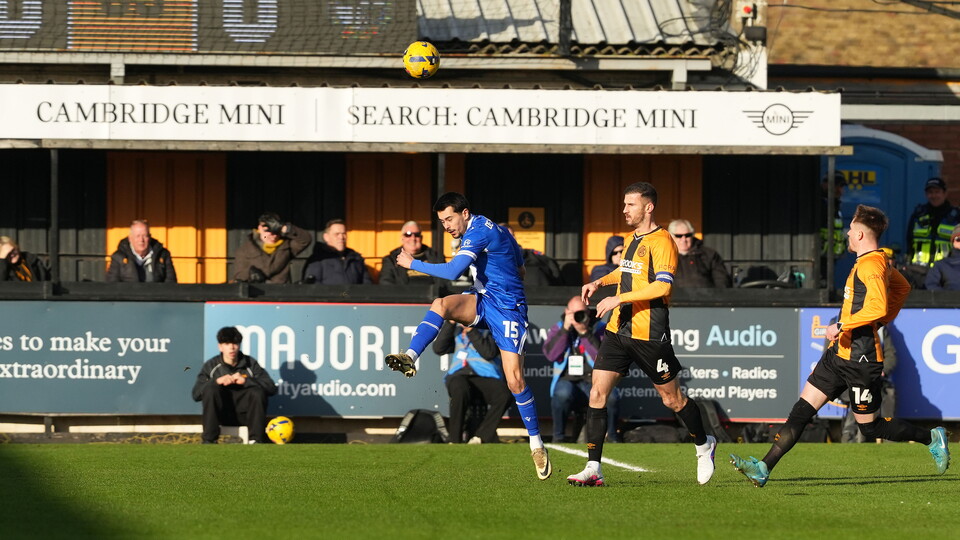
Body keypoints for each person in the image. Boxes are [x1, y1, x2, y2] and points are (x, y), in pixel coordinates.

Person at [730, 205, 950, 487]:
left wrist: (846, 325)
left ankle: (931, 436)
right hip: (839, 354)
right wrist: (877, 322)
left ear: (859, 233)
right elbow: (902, 288)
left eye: (850, 229)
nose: (846, 232)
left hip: (861, 359)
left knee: (869, 427)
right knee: (802, 410)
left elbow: (879, 304)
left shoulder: (871, 265)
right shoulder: (874, 261)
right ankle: (764, 467)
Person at [383, 192, 552, 480]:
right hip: (484, 299)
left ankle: (536, 444)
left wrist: (413, 264)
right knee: (441, 305)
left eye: (449, 218)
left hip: (509, 310)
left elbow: (452, 271)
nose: (446, 225)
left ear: (465, 213)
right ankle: (410, 356)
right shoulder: (495, 229)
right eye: (441, 221)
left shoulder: (477, 234)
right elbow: (519, 261)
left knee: (514, 380)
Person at [570, 182, 717, 487]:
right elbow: (626, 274)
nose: (624, 210)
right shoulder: (631, 238)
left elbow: (662, 286)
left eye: (630, 205)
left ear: (648, 207)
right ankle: (593, 466)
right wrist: (600, 284)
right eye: (624, 204)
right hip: (617, 331)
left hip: (649, 333)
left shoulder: (663, 242)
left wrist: (617, 299)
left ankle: (704, 445)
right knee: (597, 393)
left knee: (672, 400)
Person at [542, 295, 619, 443]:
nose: (578, 316)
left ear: (588, 313)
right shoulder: (559, 327)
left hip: (595, 380)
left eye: (582, 312)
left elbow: (602, 358)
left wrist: (585, 333)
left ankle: (612, 437)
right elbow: (551, 355)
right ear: (567, 312)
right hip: (569, 381)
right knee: (562, 393)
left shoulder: (600, 328)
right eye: (574, 313)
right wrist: (565, 329)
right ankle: (558, 437)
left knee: (612, 396)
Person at [191, 326, 278, 444]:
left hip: (246, 417)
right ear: (220, 346)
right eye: (227, 343)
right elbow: (196, 395)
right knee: (211, 389)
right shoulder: (211, 366)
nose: (232, 347)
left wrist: (246, 381)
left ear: (239, 345)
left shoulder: (250, 364)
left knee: (256, 391)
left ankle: (256, 440)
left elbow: (271, 388)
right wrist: (216, 381)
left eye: (235, 343)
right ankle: (209, 441)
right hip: (220, 416)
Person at [432, 321, 512, 444]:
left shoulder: (492, 328)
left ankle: (481, 437)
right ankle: (454, 440)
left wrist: (471, 330)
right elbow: (438, 348)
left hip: (485, 376)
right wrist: (450, 323)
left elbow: (489, 352)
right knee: (459, 388)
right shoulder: (456, 331)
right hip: (459, 374)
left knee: (504, 394)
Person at [905, 177, 960, 285]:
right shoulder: (918, 214)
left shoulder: (956, 216)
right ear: (926, 194)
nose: (934, 196)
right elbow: (909, 240)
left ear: (945, 193)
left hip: (945, 272)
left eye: (937, 192)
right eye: (930, 192)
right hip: (917, 270)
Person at [232, 212, 310, 284]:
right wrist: (250, 274)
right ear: (260, 228)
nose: (273, 235)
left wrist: (285, 228)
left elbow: (305, 239)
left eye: (276, 232)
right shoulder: (245, 250)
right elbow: (239, 276)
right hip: (255, 293)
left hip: (281, 293)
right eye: (268, 231)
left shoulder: (286, 246)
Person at [303, 219, 372, 284]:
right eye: (337, 234)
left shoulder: (355, 258)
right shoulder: (318, 260)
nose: (341, 237)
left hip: (353, 296)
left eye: (344, 233)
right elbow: (313, 286)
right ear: (326, 237)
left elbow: (366, 284)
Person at [106, 219, 177, 282]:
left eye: (144, 236)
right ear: (130, 238)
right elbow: (112, 286)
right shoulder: (118, 257)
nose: (141, 240)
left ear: (149, 237)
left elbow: (171, 283)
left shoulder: (163, 255)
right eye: (137, 236)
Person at [667, 219, 731, 288]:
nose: (684, 239)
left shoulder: (709, 254)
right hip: (674, 298)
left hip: (705, 297)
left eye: (688, 235)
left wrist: (717, 297)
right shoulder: (664, 256)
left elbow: (721, 280)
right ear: (671, 236)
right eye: (679, 236)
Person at [379, 221, 446, 286]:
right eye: (408, 235)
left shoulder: (436, 257)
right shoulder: (391, 260)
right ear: (402, 238)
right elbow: (386, 286)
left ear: (421, 238)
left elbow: (445, 282)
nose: (413, 238)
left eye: (417, 235)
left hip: (434, 296)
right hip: (403, 296)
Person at [924, 224, 960, 290]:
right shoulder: (940, 265)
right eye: (958, 239)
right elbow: (930, 286)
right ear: (952, 242)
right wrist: (949, 297)